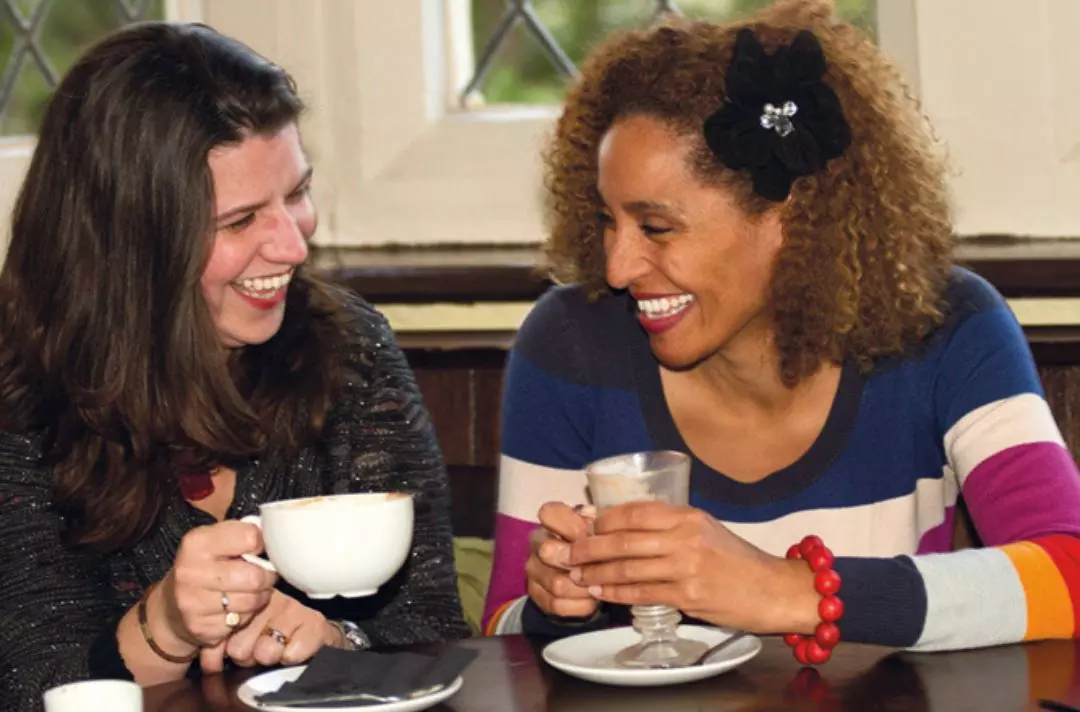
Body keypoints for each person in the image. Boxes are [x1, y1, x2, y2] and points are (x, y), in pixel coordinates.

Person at [483, 0, 1080, 660]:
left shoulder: (946, 328)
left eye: (657, 227)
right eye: (607, 220)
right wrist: (561, 606)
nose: (617, 267)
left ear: (789, 216)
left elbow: (1070, 575)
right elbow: (502, 636)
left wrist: (787, 590)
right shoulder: (571, 345)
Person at [0, 21, 468, 710]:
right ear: (133, 245)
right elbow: (30, 688)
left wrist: (334, 643)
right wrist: (165, 627)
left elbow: (433, 634)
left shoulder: (347, 350)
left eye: (297, 193)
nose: (292, 245)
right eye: (240, 220)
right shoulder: (22, 400)